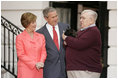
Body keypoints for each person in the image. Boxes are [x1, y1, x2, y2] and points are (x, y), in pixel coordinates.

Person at [62, 10, 102, 78]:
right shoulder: (82, 31)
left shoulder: (93, 31)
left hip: (86, 70)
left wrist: (66, 38)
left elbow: (79, 44)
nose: (80, 20)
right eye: (80, 18)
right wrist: (67, 43)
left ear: (91, 20)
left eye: (83, 18)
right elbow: (73, 45)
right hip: (77, 69)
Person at [36, 7, 69, 78]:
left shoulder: (65, 27)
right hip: (49, 70)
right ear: (46, 18)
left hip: (65, 69)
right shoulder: (39, 33)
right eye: (53, 17)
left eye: (56, 16)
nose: (56, 19)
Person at [16, 12, 47, 78]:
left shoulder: (41, 36)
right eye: (33, 22)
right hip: (25, 69)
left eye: (35, 22)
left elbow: (43, 52)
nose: (35, 24)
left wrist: (41, 62)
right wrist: (34, 63)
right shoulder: (20, 37)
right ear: (26, 23)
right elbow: (21, 54)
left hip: (38, 69)